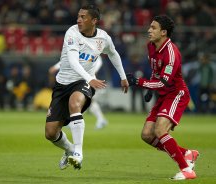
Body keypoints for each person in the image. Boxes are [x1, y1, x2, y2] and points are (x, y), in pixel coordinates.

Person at [45, 4, 129, 170]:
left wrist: (123, 77)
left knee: (75, 103)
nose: (79, 20)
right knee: (50, 133)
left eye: (83, 17)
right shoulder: (72, 32)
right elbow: (73, 61)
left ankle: (78, 152)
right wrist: (90, 78)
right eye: (78, 16)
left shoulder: (103, 38)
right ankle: (69, 149)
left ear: (94, 20)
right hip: (63, 84)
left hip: (82, 82)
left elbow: (113, 54)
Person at [126, 15, 199, 180]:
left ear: (164, 32)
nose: (149, 30)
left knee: (159, 130)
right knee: (146, 135)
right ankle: (187, 153)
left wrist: (139, 82)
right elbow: (155, 71)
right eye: (150, 27)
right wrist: (150, 87)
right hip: (163, 96)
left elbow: (165, 83)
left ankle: (187, 170)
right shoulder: (151, 46)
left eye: (153, 28)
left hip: (176, 94)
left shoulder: (172, 53)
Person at [49, 56, 108, 129]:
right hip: (79, 81)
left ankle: (74, 121)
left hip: (89, 81)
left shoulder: (96, 57)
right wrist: (56, 66)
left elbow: (92, 70)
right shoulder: (81, 52)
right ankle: (100, 119)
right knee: (89, 103)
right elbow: (69, 59)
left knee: (83, 102)